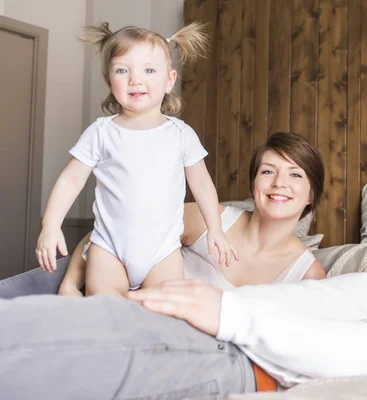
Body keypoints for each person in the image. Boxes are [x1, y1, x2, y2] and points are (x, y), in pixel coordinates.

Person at [0, 212, 367, 399]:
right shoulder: (365, 283)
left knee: (23, 341)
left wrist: (229, 313)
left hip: (234, 351)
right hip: (209, 326)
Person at [35, 22, 237, 297]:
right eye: (122, 70)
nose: (135, 79)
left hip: (162, 254)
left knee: (161, 314)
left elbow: (201, 184)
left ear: (169, 80)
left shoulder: (181, 134)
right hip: (109, 250)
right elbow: (71, 180)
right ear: (109, 80)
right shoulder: (101, 132)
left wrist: (216, 228)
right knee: (106, 313)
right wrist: (50, 225)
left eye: (149, 70)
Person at [57, 131, 327, 297]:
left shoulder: (307, 275)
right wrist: (70, 285)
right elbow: (112, 229)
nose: (279, 182)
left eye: (295, 174)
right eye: (268, 171)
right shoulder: (208, 220)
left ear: (311, 195)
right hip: (110, 303)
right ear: (253, 183)